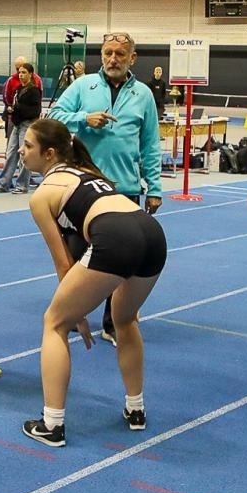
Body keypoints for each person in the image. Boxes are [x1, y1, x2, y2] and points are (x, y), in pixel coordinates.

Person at [18, 118, 167, 447]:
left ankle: (52, 424)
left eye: (28, 145)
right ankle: (136, 409)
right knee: (124, 318)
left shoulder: (42, 195)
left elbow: (63, 263)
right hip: (152, 233)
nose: (21, 150)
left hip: (117, 236)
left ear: (49, 153)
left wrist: (76, 315)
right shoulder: (88, 173)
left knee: (54, 322)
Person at [47, 30, 162, 344]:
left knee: (120, 262)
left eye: (120, 54)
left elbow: (151, 144)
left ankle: (114, 323)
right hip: (82, 189)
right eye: (108, 52)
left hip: (124, 189)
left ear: (132, 58)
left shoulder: (144, 95)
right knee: (75, 255)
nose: (113, 59)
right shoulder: (83, 85)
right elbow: (53, 118)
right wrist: (84, 118)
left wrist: (154, 187)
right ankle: (72, 313)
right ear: (102, 55)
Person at [0, 60, 41, 193]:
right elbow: (12, 104)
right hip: (17, 124)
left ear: (31, 74)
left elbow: (35, 111)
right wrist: (9, 111)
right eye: (19, 72)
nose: (21, 75)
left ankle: (22, 185)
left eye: (24, 72)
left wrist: (16, 108)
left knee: (25, 155)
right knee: (11, 153)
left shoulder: (34, 91)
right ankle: (3, 183)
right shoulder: (18, 89)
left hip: (27, 125)